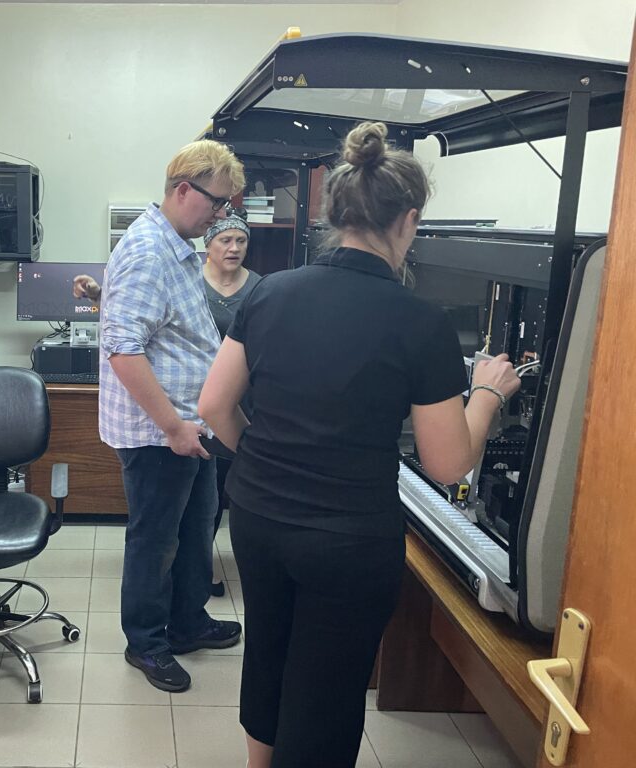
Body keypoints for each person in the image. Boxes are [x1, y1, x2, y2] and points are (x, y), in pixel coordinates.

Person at [198, 121, 521, 768]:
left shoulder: (270, 292)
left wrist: (264, 460)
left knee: (271, 654)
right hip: (345, 540)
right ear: (408, 221)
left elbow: (213, 406)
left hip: (258, 516)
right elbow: (449, 462)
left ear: (336, 214)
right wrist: (487, 394)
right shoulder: (420, 323)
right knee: (324, 694)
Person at [99, 139, 245, 693]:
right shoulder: (148, 252)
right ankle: (147, 642)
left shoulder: (176, 244)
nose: (219, 216)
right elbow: (124, 350)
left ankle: (187, 623)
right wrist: (173, 427)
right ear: (183, 190)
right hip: (160, 433)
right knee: (155, 540)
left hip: (191, 425)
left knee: (196, 528)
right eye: (216, 203)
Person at [200, 210, 260, 597]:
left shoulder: (260, 288)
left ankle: (254, 569)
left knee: (236, 491)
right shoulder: (191, 284)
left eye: (241, 241)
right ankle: (197, 571)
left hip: (245, 407)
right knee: (202, 505)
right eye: (226, 240)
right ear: (208, 245)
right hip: (198, 405)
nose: (234, 247)